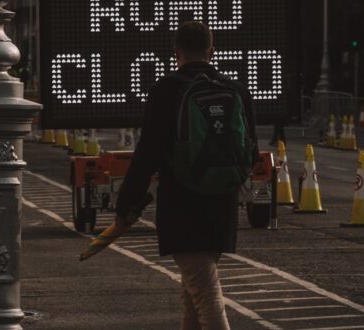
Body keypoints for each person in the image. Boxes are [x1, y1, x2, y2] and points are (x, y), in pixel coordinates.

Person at [115, 21, 258, 329]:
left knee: (205, 293)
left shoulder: (165, 90)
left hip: (182, 206)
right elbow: (252, 152)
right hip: (222, 206)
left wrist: (126, 206)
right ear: (212, 50)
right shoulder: (236, 90)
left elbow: (147, 155)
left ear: (176, 51)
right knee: (194, 289)